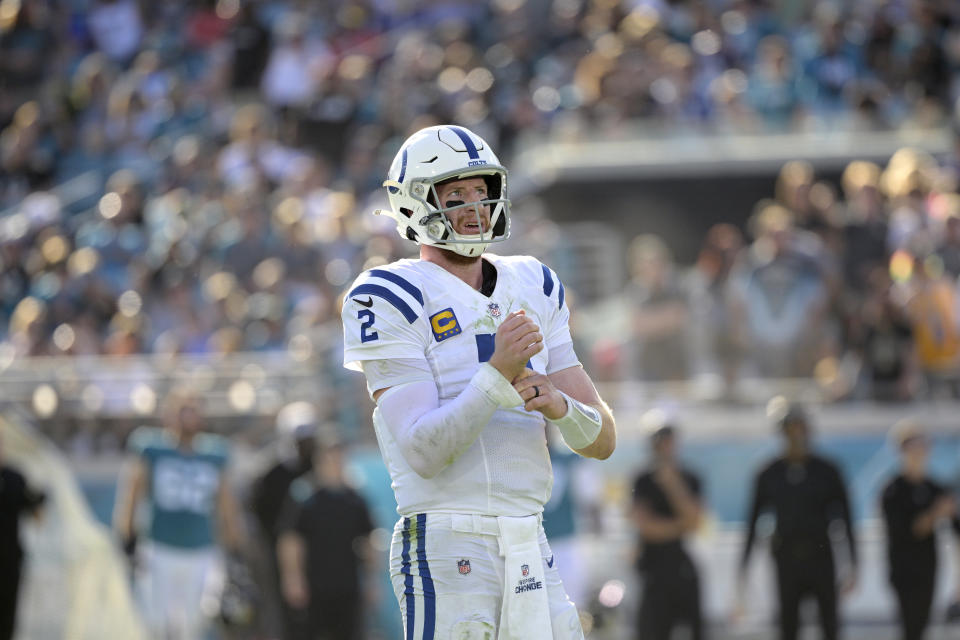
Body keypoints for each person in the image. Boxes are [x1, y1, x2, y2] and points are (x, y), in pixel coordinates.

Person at [340, 124, 616, 639]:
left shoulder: (534, 281)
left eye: (481, 191)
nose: (475, 206)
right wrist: (496, 375)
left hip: (530, 539)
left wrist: (560, 406)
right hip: (448, 541)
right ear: (415, 203)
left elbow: (602, 440)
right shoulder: (389, 292)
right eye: (456, 194)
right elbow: (423, 449)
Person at [113, 389, 245, 640]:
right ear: (169, 415)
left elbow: (227, 505)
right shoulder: (150, 447)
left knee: (195, 625)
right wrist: (126, 536)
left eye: (193, 410)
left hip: (201, 550)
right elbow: (132, 492)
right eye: (183, 410)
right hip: (158, 547)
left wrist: (235, 549)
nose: (188, 417)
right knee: (155, 624)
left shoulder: (215, 452)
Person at [738, 401, 857, 640]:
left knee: (830, 625)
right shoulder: (769, 473)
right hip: (786, 560)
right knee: (787, 626)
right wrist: (743, 570)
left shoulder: (827, 471)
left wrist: (853, 563)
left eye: (800, 427)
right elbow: (752, 523)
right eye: (790, 428)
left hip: (821, 557)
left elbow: (846, 518)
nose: (796, 434)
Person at [278, 432, 375, 640]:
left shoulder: (355, 499)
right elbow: (291, 540)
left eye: (339, 457)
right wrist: (293, 578)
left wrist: (371, 580)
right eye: (329, 457)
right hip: (314, 586)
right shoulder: (304, 496)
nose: (335, 463)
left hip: (348, 585)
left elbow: (368, 540)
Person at [881, 420, 960, 640]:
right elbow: (907, 531)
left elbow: (957, 532)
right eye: (913, 445)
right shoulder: (892, 490)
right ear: (902, 450)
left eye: (923, 444)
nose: (919, 451)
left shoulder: (935, 487)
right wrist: (936, 513)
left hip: (929, 566)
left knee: (924, 625)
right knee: (910, 626)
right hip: (903, 568)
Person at [631, 411, 705, 640]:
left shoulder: (690, 477)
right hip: (652, 568)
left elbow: (696, 522)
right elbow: (646, 527)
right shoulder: (642, 479)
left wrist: (673, 486)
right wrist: (680, 526)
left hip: (681, 566)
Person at [250, 401, 319, 640]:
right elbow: (257, 512)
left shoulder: (319, 469)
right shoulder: (270, 474)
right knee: (283, 614)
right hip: (278, 556)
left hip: (319, 555)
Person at [0, 429, 46, 640]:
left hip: (9, 559)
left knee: (8, 614)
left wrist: (40, 497)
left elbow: (36, 515)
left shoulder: (14, 478)